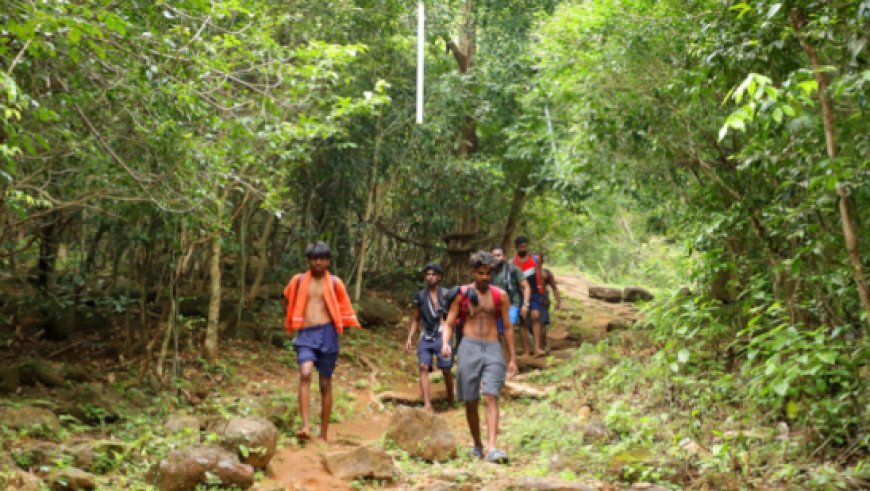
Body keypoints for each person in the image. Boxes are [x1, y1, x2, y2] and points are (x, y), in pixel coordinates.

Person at [441, 251, 518, 463]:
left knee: (491, 395)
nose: (485, 277)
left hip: (493, 347)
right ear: (473, 272)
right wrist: (446, 343)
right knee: (471, 399)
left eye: (488, 273)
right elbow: (449, 322)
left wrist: (512, 357)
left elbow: (508, 328)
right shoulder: (462, 294)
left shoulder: (500, 295)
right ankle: (477, 444)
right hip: (468, 346)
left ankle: (492, 447)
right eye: (481, 273)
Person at [283, 241, 360, 441]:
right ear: (309, 260)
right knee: (305, 373)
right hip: (306, 335)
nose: (318, 262)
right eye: (314, 259)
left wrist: (344, 325)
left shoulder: (335, 282)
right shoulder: (298, 281)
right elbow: (287, 298)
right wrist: (294, 319)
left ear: (328, 261)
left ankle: (323, 434)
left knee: (325, 383)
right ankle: (306, 426)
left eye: (322, 259)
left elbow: (344, 306)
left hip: (328, 335)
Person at [405, 262, 455, 412]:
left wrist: (447, 339)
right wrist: (409, 338)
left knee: (446, 369)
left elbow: (450, 319)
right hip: (426, 335)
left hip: (442, 333)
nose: (430, 277)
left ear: (439, 277)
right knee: (423, 367)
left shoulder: (446, 294)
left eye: (433, 274)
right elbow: (415, 319)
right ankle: (427, 404)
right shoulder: (420, 296)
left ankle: (451, 401)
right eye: (428, 274)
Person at [491, 245, 531, 355]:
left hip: (513, 303)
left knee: (508, 327)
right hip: (497, 307)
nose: (496, 258)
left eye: (498, 255)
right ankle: (506, 359)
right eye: (493, 256)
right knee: (500, 333)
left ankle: (512, 361)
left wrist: (525, 304)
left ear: (503, 256)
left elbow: (526, 286)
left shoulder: (513, 269)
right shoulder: (489, 272)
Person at [512, 235, 546, 356]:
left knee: (536, 317)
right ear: (517, 247)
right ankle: (526, 350)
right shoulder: (513, 262)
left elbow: (540, 275)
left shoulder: (535, 259)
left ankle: (537, 348)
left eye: (524, 246)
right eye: (520, 246)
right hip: (520, 295)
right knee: (523, 321)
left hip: (535, 293)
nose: (523, 248)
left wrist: (543, 294)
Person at [538, 252, 561, 352]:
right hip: (532, 300)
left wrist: (558, 301)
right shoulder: (528, 272)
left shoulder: (546, 273)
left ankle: (543, 346)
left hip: (543, 300)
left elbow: (554, 287)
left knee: (542, 323)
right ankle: (537, 346)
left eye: (539, 259)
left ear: (542, 261)